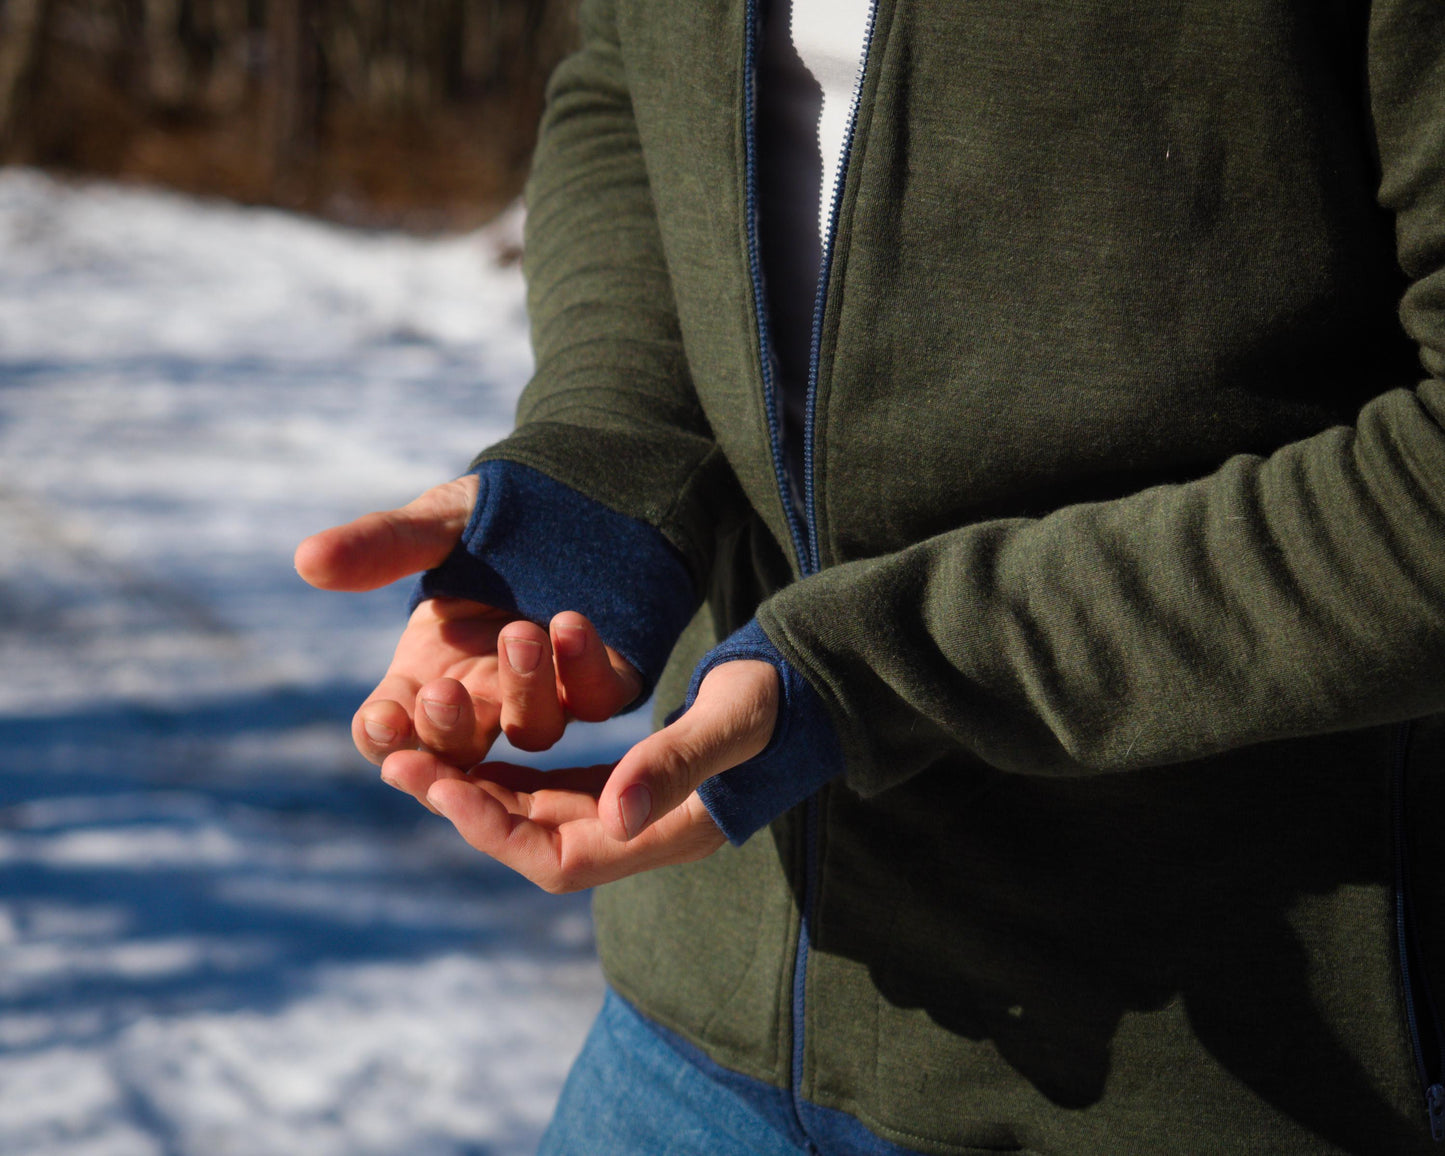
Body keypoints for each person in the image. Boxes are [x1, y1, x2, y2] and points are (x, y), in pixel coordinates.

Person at [296, 0, 1445, 1151]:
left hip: (1223, 1072)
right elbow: (627, 89)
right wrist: (610, 466)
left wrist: (888, 667)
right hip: (695, 1021)